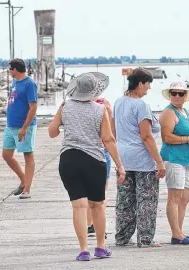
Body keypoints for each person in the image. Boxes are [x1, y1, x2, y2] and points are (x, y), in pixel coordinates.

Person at [48, 72, 125, 261]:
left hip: (69, 159)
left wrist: (63, 126)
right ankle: (100, 247)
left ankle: (83, 250)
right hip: (94, 161)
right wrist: (120, 166)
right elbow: (108, 139)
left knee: (79, 206)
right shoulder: (100, 110)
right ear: (94, 91)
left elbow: (52, 132)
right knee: (97, 205)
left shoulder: (65, 106)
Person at [112, 67, 165, 247]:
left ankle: (122, 236)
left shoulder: (118, 102)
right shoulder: (141, 106)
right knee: (146, 200)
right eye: (148, 85)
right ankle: (144, 238)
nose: (148, 89)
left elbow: (113, 131)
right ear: (140, 84)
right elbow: (146, 136)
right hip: (142, 159)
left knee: (125, 200)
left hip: (123, 157)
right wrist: (159, 162)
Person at [159, 81, 189, 245]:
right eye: (174, 93)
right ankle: (176, 234)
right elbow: (166, 137)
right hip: (173, 158)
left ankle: (180, 231)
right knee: (174, 196)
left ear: (185, 96)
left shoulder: (184, 111)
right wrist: (188, 139)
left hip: (186, 159)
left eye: (180, 93)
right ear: (170, 94)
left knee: (186, 196)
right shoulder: (168, 113)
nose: (177, 96)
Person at [3, 58, 38, 199]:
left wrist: (24, 128)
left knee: (27, 155)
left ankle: (27, 189)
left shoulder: (29, 84)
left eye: (10, 69)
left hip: (24, 126)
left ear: (15, 69)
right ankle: (24, 180)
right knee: (6, 155)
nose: (9, 71)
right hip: (10, 125)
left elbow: (33, 107)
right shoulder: (14, 82)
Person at [88, 79, 112, 236]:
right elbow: (110, 130)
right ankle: (98, 226)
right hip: (102, 150)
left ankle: (90, 224)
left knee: (86, 193)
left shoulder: (75, 106)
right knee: (102, 192)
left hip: (85, 150)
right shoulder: (105, 105)